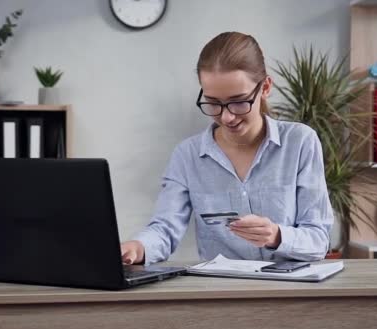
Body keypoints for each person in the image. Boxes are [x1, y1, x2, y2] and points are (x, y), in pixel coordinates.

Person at [121, 32, 333, 265]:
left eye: (239, 101)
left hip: (288, 291)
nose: (227, 116)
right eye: (213, 103)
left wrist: (276, 235)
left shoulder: (300, 142)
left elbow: (318, 240)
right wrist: (138, 247)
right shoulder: (187, 155)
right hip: (219, 293)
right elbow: (164, 229)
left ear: (265, 88)